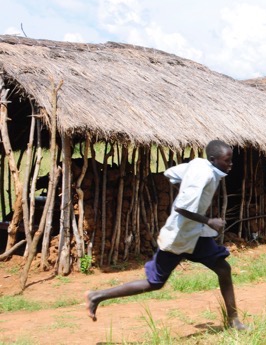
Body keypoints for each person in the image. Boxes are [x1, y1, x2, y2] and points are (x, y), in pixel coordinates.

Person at [86, 140, 246, 330]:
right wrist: (209, 221)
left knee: (223, 269)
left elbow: (171, 174)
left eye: (231, 160)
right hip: (179, 237)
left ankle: (234, 320)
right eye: (227, 160)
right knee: (155, 283)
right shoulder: (203, 174)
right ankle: (97, 296)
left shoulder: (198, 164)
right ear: (213, 159)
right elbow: (182, 207)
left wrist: (187, 192)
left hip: (195, 236)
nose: (231, 164)